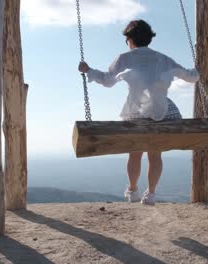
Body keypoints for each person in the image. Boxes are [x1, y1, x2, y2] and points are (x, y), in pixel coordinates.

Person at [78, 19, 200, 205]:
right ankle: (151, 194)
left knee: (135, 152)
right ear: (149, 38)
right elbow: (192, 77)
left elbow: (107, 80)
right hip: (163, 113)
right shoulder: (164, 58)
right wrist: (198, 66)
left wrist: (88, 70)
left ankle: (133, 190)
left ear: (130, 39)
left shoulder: (124, 58)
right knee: (155, 154)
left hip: (136, 113)